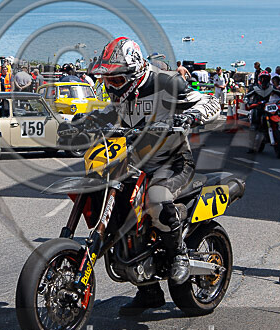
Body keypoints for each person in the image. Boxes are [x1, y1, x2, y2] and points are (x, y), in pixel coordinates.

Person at [66, 37, 220, 315]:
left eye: (114, 80)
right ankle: (148, 290)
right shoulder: (120, 92)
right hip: (132, 161)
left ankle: (179, 256)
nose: (109, 86)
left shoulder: (167, 83)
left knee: (155, 199)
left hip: (172, 162)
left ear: (134, 73)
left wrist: (191, 117)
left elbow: (211, 102)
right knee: (115, 211)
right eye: (106, 80)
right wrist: (83, 122)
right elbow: (111, 115)